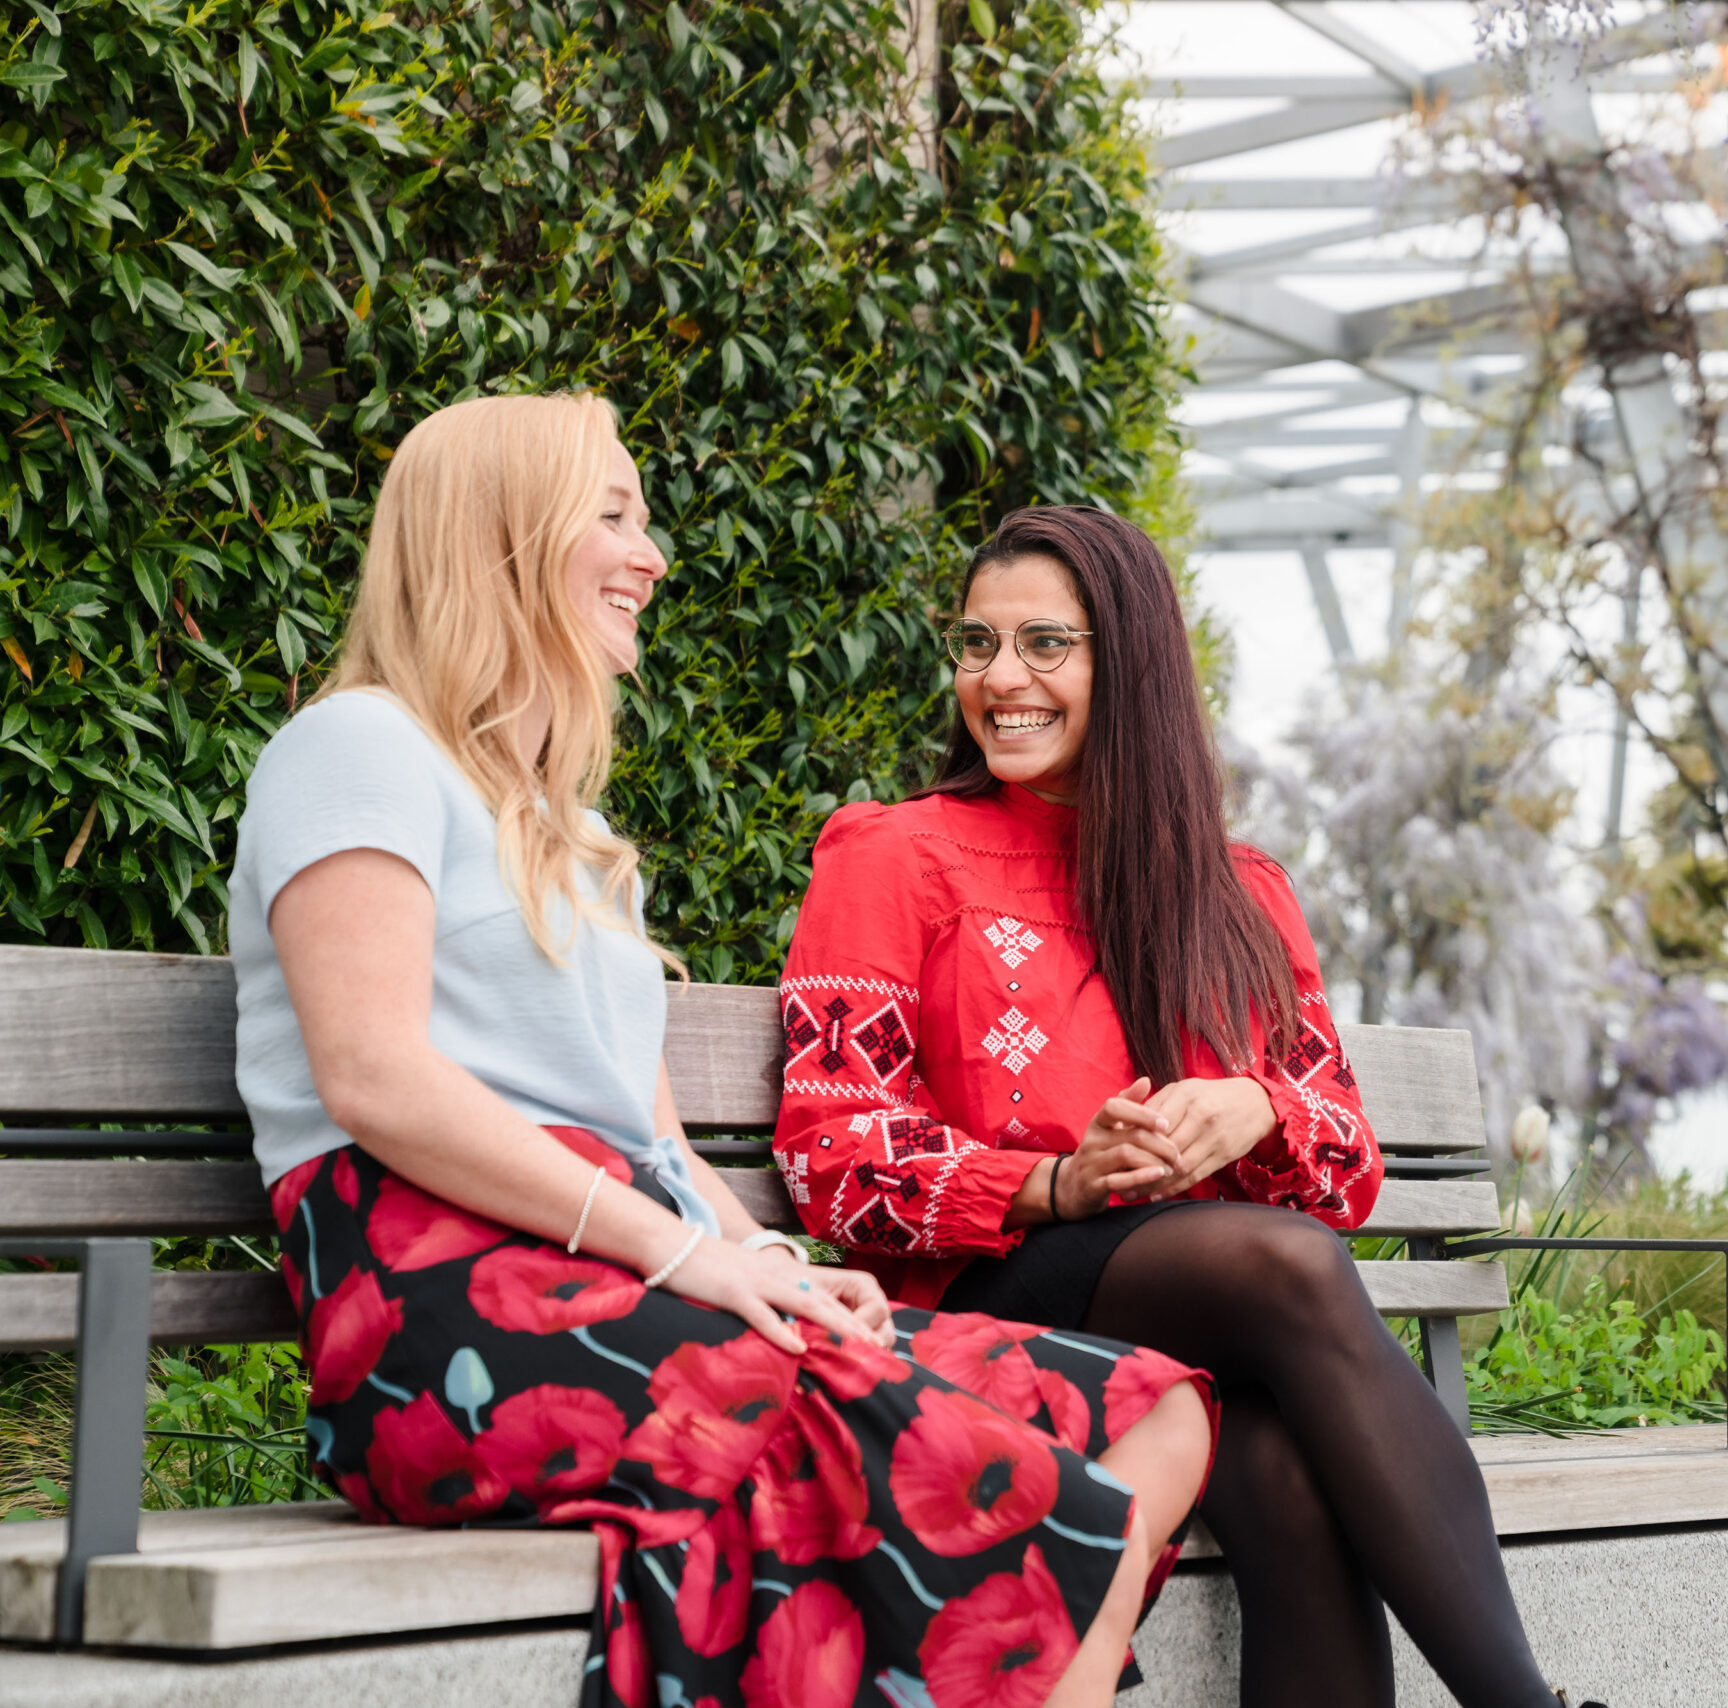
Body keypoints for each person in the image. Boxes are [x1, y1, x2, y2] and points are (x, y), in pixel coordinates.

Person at [229, 398, 1213, 1708]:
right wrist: (682, 1255)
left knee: (1159, 1412)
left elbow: (659, 1149)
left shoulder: (573, 844)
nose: (654, 555)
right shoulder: (357, 747)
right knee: (876, 1423)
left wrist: (767, 1263)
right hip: (437, 1316)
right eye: (616, 516)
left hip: (636, 1290)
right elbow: (375, 1077)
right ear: (505, 538)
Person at [775, 505, 1588, 1708]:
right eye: (976, 644)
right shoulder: (893, 856)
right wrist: (1055, 1180)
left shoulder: (1239, 892)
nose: (1001, 680)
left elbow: (1345, 1162)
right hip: (982, 1307)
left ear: (1130, 661)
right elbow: (831, 1157)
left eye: (1045, 644)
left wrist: (1257, 1108)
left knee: (1288, 1469)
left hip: (1193, 1329)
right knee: (1289, 1265)